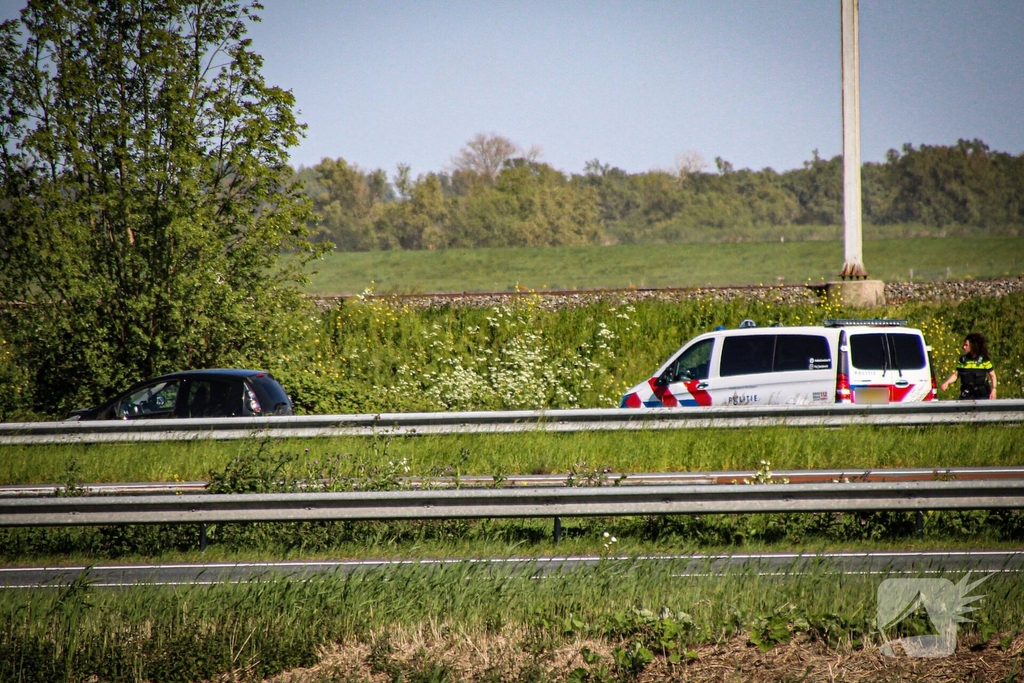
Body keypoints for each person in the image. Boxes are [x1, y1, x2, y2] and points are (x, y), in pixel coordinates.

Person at [941, 333, 997, 400]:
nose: (963, 347)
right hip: (967, 394)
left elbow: (993, 376)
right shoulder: (963, 360)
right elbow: (956, 375)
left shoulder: (984, 360)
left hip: (981, 395)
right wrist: (947, 382)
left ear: (973, 346)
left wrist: (994, 390)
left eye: (966, 345)